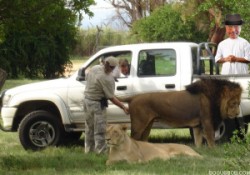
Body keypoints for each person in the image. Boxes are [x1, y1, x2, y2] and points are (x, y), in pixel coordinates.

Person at [83, 56, 129, 154]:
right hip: (97, 104)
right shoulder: (107, 78)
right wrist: (123, 107)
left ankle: (88, 150)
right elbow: (111, 97)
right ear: (113, 67)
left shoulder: (95, 68)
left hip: (87, 101)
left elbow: (87, 75)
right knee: (100, 130)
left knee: (89, 128)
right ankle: (101, 152)